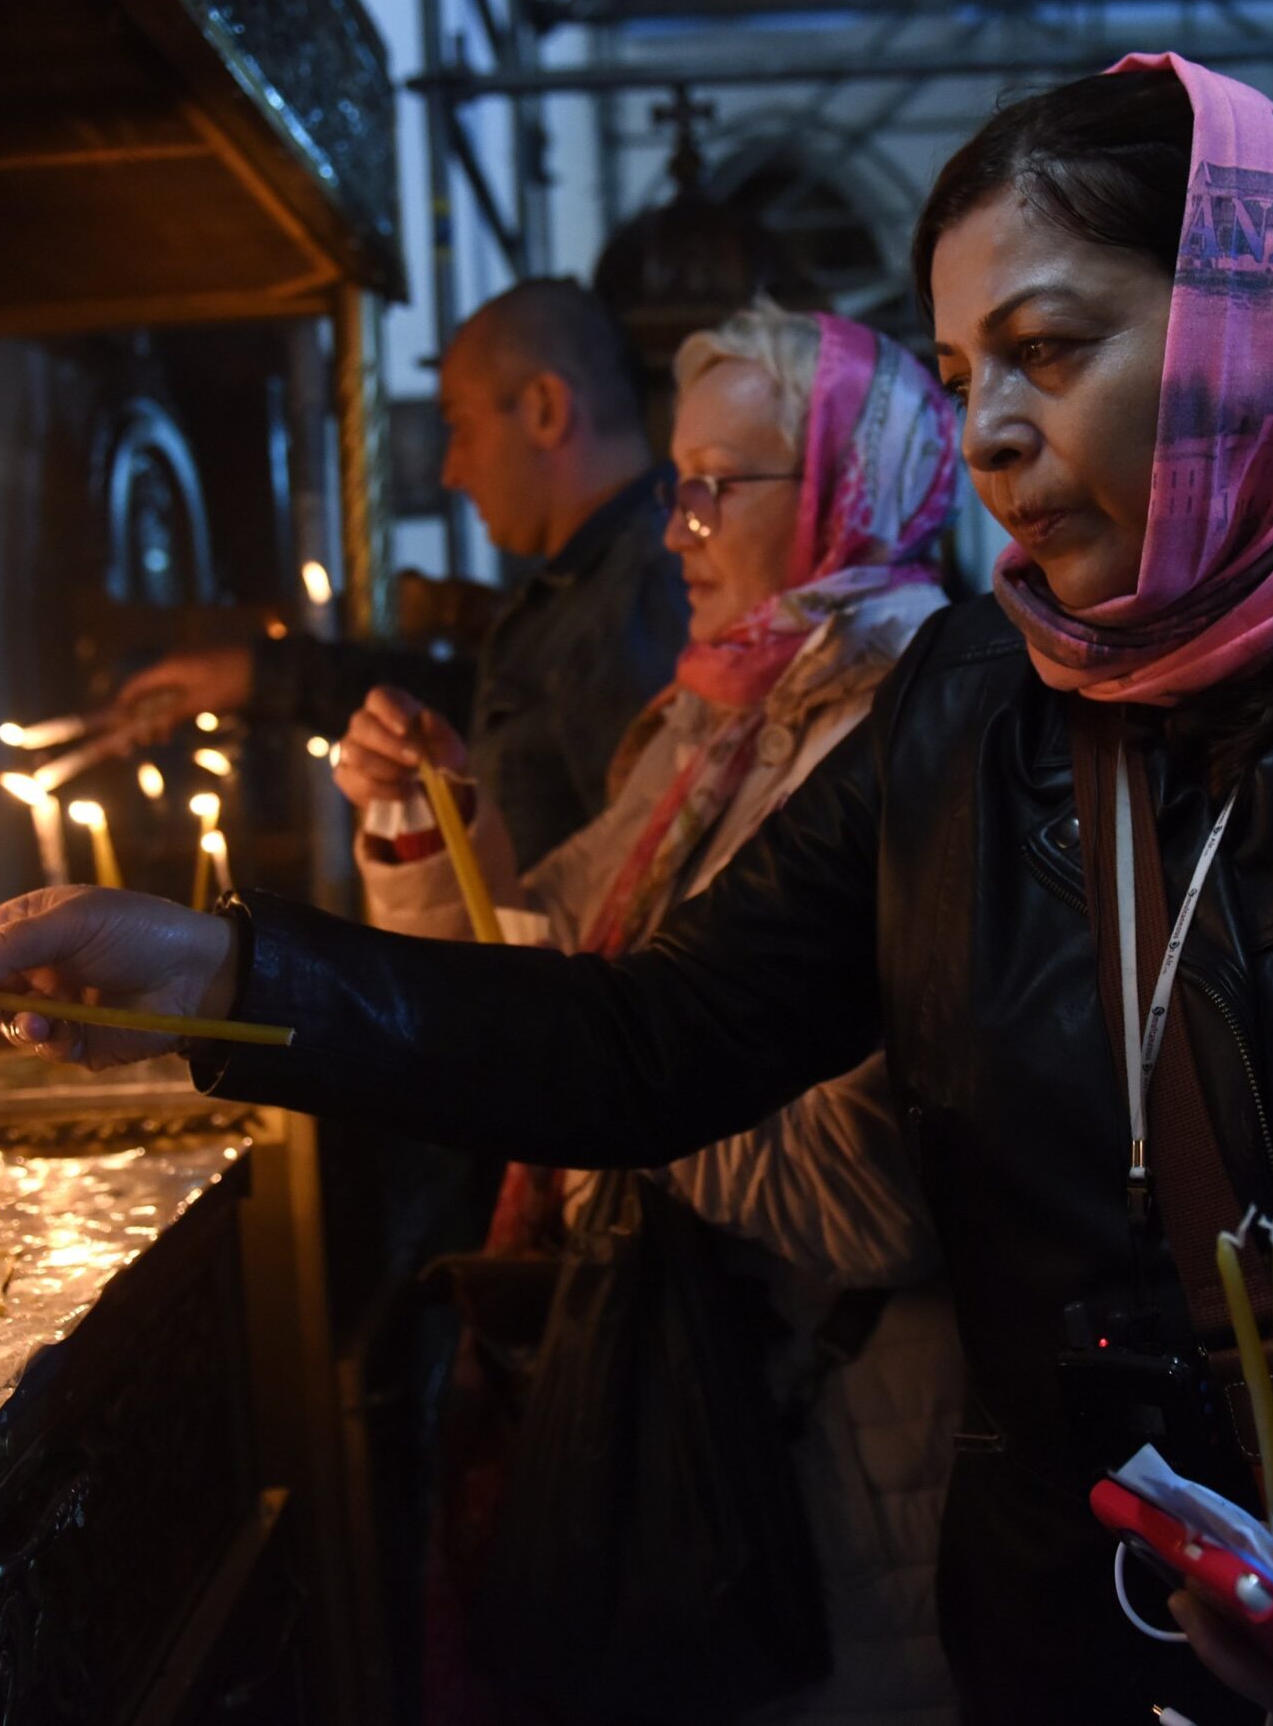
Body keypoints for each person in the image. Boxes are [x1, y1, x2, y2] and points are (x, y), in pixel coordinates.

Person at [0, 58, 1273, 1722]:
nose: (987, 434)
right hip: (1069, 1652)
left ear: (1250, 316)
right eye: (959, 369)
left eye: (1049, 347)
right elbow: (652, 1039)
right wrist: (228, 974)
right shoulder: (974, 706)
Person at [336, 299, 965, 1724]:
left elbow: (869, 1192)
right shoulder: (715, 715)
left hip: (832, 1457)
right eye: (675, 483)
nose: (675, 528)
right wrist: (424, 821)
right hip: (697, 1397)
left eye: (714, 487)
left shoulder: (911, 728)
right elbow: (540, 960)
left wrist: (607, 1069)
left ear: (837, 491)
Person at [114, 278, 688, 871]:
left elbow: (644, 880)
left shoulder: (645, 596)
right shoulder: (591, 590)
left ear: (545, 409)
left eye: (460, 426)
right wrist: (254, 674)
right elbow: (491, 721)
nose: (450, 471)